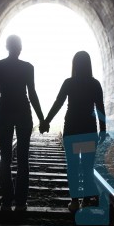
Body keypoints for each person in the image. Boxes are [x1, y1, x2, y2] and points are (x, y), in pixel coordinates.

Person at [40, 51, 106, 212]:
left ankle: (75, 202)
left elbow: (58, 103)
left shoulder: (69, 83)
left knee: (73, 166)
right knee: (88, 167)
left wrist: (46, 121)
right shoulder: (95, 84)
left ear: (74, 65)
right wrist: (103, 130)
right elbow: (100, 109)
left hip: (72, 131)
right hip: (89, 131)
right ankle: (86, 201)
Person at [0, 34, 44, 211]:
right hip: (23, 113)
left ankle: (6, 200)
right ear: (20, 48)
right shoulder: (27, 68)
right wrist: (42, 118)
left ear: (6, 47)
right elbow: (32, 94)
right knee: (23, 158)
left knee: (5, 158)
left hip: (4, 112)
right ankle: (20, 202)